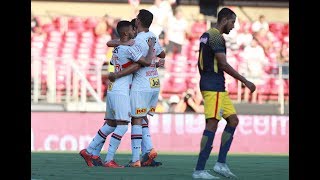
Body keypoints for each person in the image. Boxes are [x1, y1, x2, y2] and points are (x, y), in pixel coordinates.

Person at [79, 20, 155, 168]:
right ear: (126, 33)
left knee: (111, 124)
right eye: (132, 31)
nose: (134, 32)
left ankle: (89, 151)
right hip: (121, 91)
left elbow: (113, 48)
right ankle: (109, 159)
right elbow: (145, 62)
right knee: (122, 126)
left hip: (112, 89)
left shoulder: (117, 48)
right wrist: (151, 46)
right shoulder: (129, 49)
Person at [192, 7, 256, 179]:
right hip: (213, 86)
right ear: (225, 19)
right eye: (233, 22)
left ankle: (220, 164)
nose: (233, 26)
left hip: (217, 86)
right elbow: (223, 65)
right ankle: (199, 170)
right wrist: (245, 81)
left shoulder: (206, 35)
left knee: (233, 120)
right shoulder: (216, 37)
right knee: (212, 125)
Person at [108, 9, 166, 167]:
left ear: (138, 21)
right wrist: (156, 61)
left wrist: (118, 75)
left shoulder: (138, 40)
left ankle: (136, 159)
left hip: (141, 85)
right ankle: (148, 152)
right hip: (154, 82)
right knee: (143, 118)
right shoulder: (152, 36)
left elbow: (138, 64)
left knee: (136, 119)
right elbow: (163, 55)